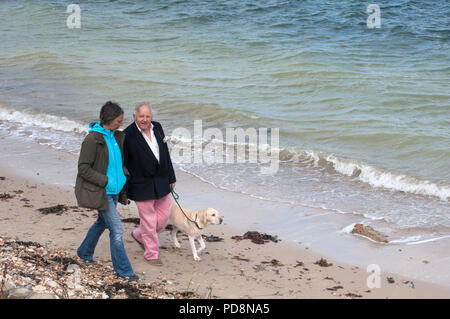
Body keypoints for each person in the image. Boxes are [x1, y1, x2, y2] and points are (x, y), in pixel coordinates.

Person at [75, 101, 139, 281]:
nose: (121, 123)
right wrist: (105, 181)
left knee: (101, 223)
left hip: (115, 192)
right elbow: (83, 168)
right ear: (109, 119)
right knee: (117, 230)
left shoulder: (117, 137)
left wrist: (123, 182)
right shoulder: (92, 139)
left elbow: (118, 164)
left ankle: (84, 252)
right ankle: (124, 271)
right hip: (102, 192)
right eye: (119, 120)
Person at [123, 102, 176, 266]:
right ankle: (151, 254)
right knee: (149, 221)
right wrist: (124, 189)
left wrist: (171, 177)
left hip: (162, 181)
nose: (145, 120)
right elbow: (123, 164)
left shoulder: (158, 127)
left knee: (162, 219)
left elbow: (165, 154)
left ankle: (139, 235)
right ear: (134, 117)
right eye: (141, 116)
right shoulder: (127, 135)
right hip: (141, 185)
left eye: (147, 116)